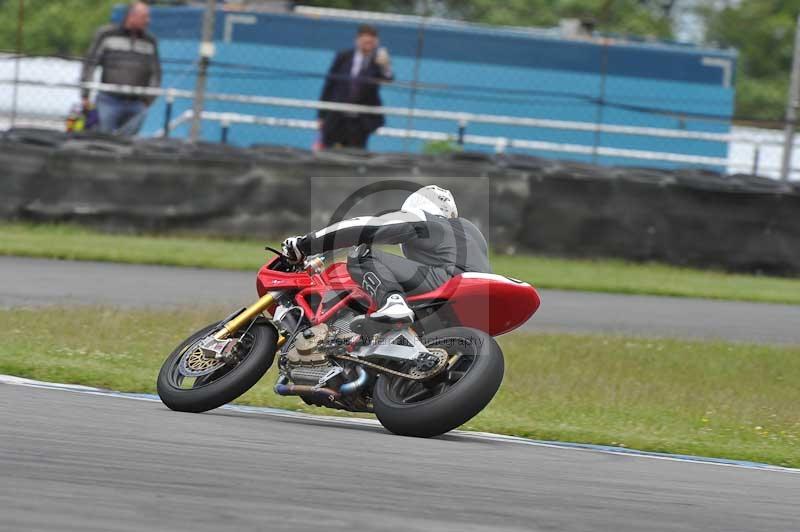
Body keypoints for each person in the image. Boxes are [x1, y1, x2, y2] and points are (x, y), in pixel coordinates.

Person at [282, 185, 492, 324]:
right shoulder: (470, 230)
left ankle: (393, 302)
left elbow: (366, 227)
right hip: (485, 298)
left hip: (449, 284)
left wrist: (306, 244)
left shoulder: (424, 218)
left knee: (361, 253)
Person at [80, 1, 161, 136]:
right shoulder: (106, 34)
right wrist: (85, 94)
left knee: (126, 142)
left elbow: (156, 73)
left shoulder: (150, 41)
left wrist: (148, 100)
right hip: (108, 100)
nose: (148, 21)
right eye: (144, 17)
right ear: (131, 16)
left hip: (137, 104)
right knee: (101, 138)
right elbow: (90, 63)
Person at [317, 24, 394, 150]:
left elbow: (388, 79)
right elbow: (329, 86)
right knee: (328, 152)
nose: (367, 44)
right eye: (365, 41)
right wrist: (321, 115)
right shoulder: (343, 57)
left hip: (361, 121)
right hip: (336, 117)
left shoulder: (378, 61)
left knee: (356, 155)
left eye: (371, 42)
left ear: (376, 43)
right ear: (357, 40)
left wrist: (386, 66)